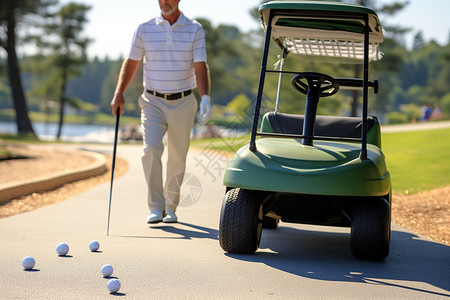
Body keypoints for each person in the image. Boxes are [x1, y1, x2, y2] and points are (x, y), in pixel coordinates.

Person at [110, 0, 211, 224]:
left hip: (184, 100)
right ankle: (155, 207)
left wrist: (205, 96)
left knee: (177, 156)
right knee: (151, 149)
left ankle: (171, 207)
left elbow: (200, 65)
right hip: (152, 100)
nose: (164, 2)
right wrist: (119, 93)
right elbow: (132, 62)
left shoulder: (195, 28)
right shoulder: (144, 28)